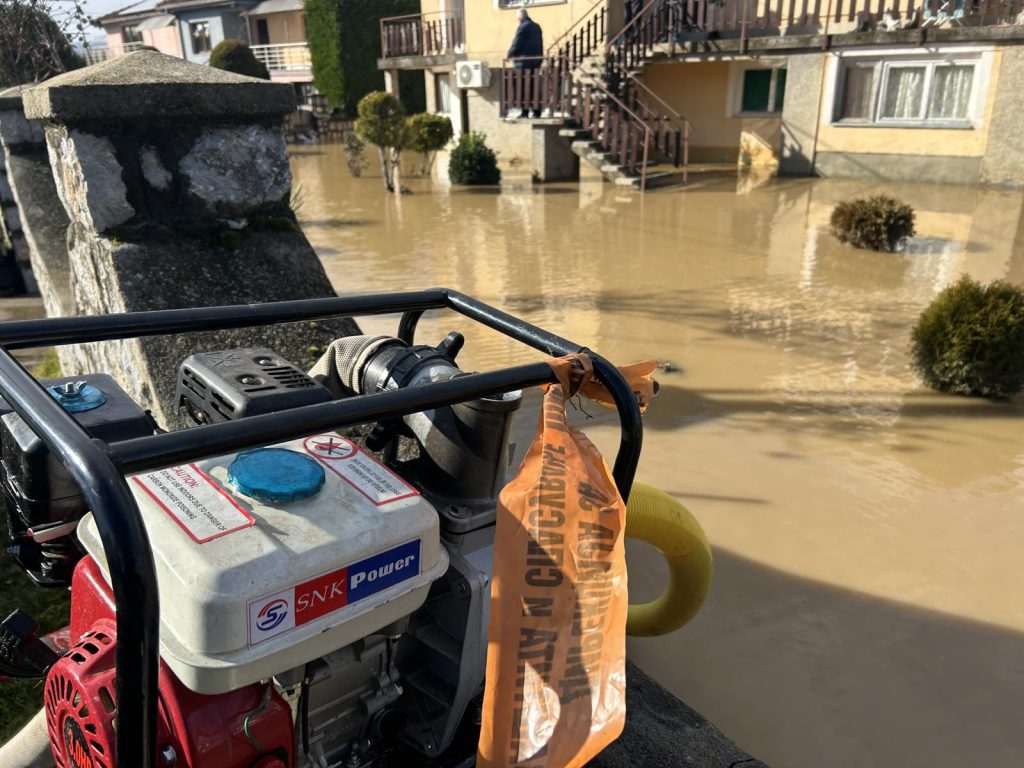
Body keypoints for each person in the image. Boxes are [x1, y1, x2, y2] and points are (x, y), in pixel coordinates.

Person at [507, 9, 543, 118]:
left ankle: (525, 111)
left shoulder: (523, 27)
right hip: (536, 62)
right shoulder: (537, 27)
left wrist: (510, 54)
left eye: (517, 18)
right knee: (533, 87)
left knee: (523, 88)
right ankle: (536, 111)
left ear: (520, 18)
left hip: (523, 62)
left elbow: (517, 43)